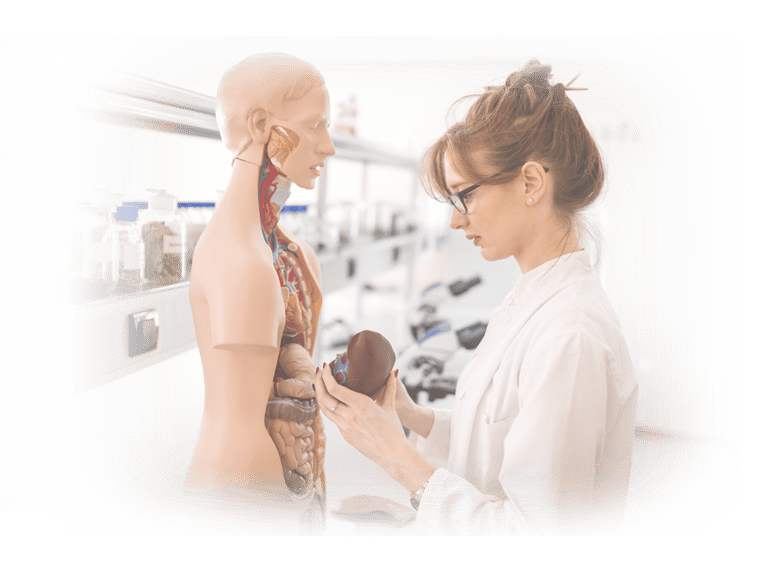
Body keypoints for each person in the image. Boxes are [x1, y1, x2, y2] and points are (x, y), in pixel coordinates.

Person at [314, 59, 638, 536]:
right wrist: (412, 417)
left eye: (465, 195)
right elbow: (497, 448)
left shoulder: (571, 336)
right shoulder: (532, 300)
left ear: (530, 183)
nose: (455, 220)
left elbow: (532, 534)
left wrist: (395, 456)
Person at [184, 53, 335, 535]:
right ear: (260, 124)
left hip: (286, 482)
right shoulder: (241, 262)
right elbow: (244, 420)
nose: (328, 146)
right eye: (315, 125)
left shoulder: (290, 254)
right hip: (242, 494)